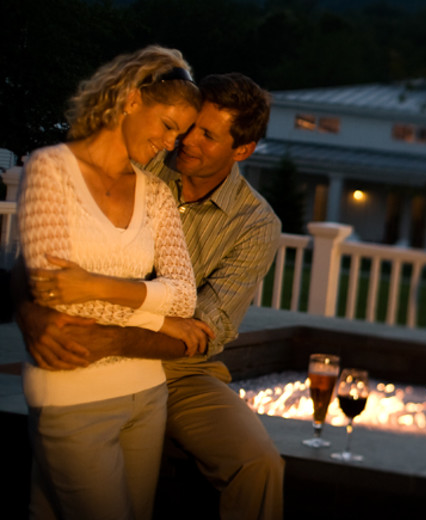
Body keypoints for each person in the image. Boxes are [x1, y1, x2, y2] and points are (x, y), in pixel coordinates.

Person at [15, 72, 285, 519]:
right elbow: (35, 254)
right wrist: (31, 316)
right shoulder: (142, 160)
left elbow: (201, 332)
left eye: (207, 135)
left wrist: (113, 340)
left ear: (242, 150)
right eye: (185, 127)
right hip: (89, 338)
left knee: (258, 464)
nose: (185, 141)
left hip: (180, 368)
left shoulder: (256, 224)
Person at [16, 46, 207, 519]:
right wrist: (161, 325)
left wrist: (94, 286)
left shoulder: (158, 195)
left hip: (146, 396)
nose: (171, 144)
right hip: (72, 392)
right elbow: (50, 291)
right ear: (130, 100)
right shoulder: (49, 169)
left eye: (179, 135)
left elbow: (184, 297)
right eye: (167, 126)